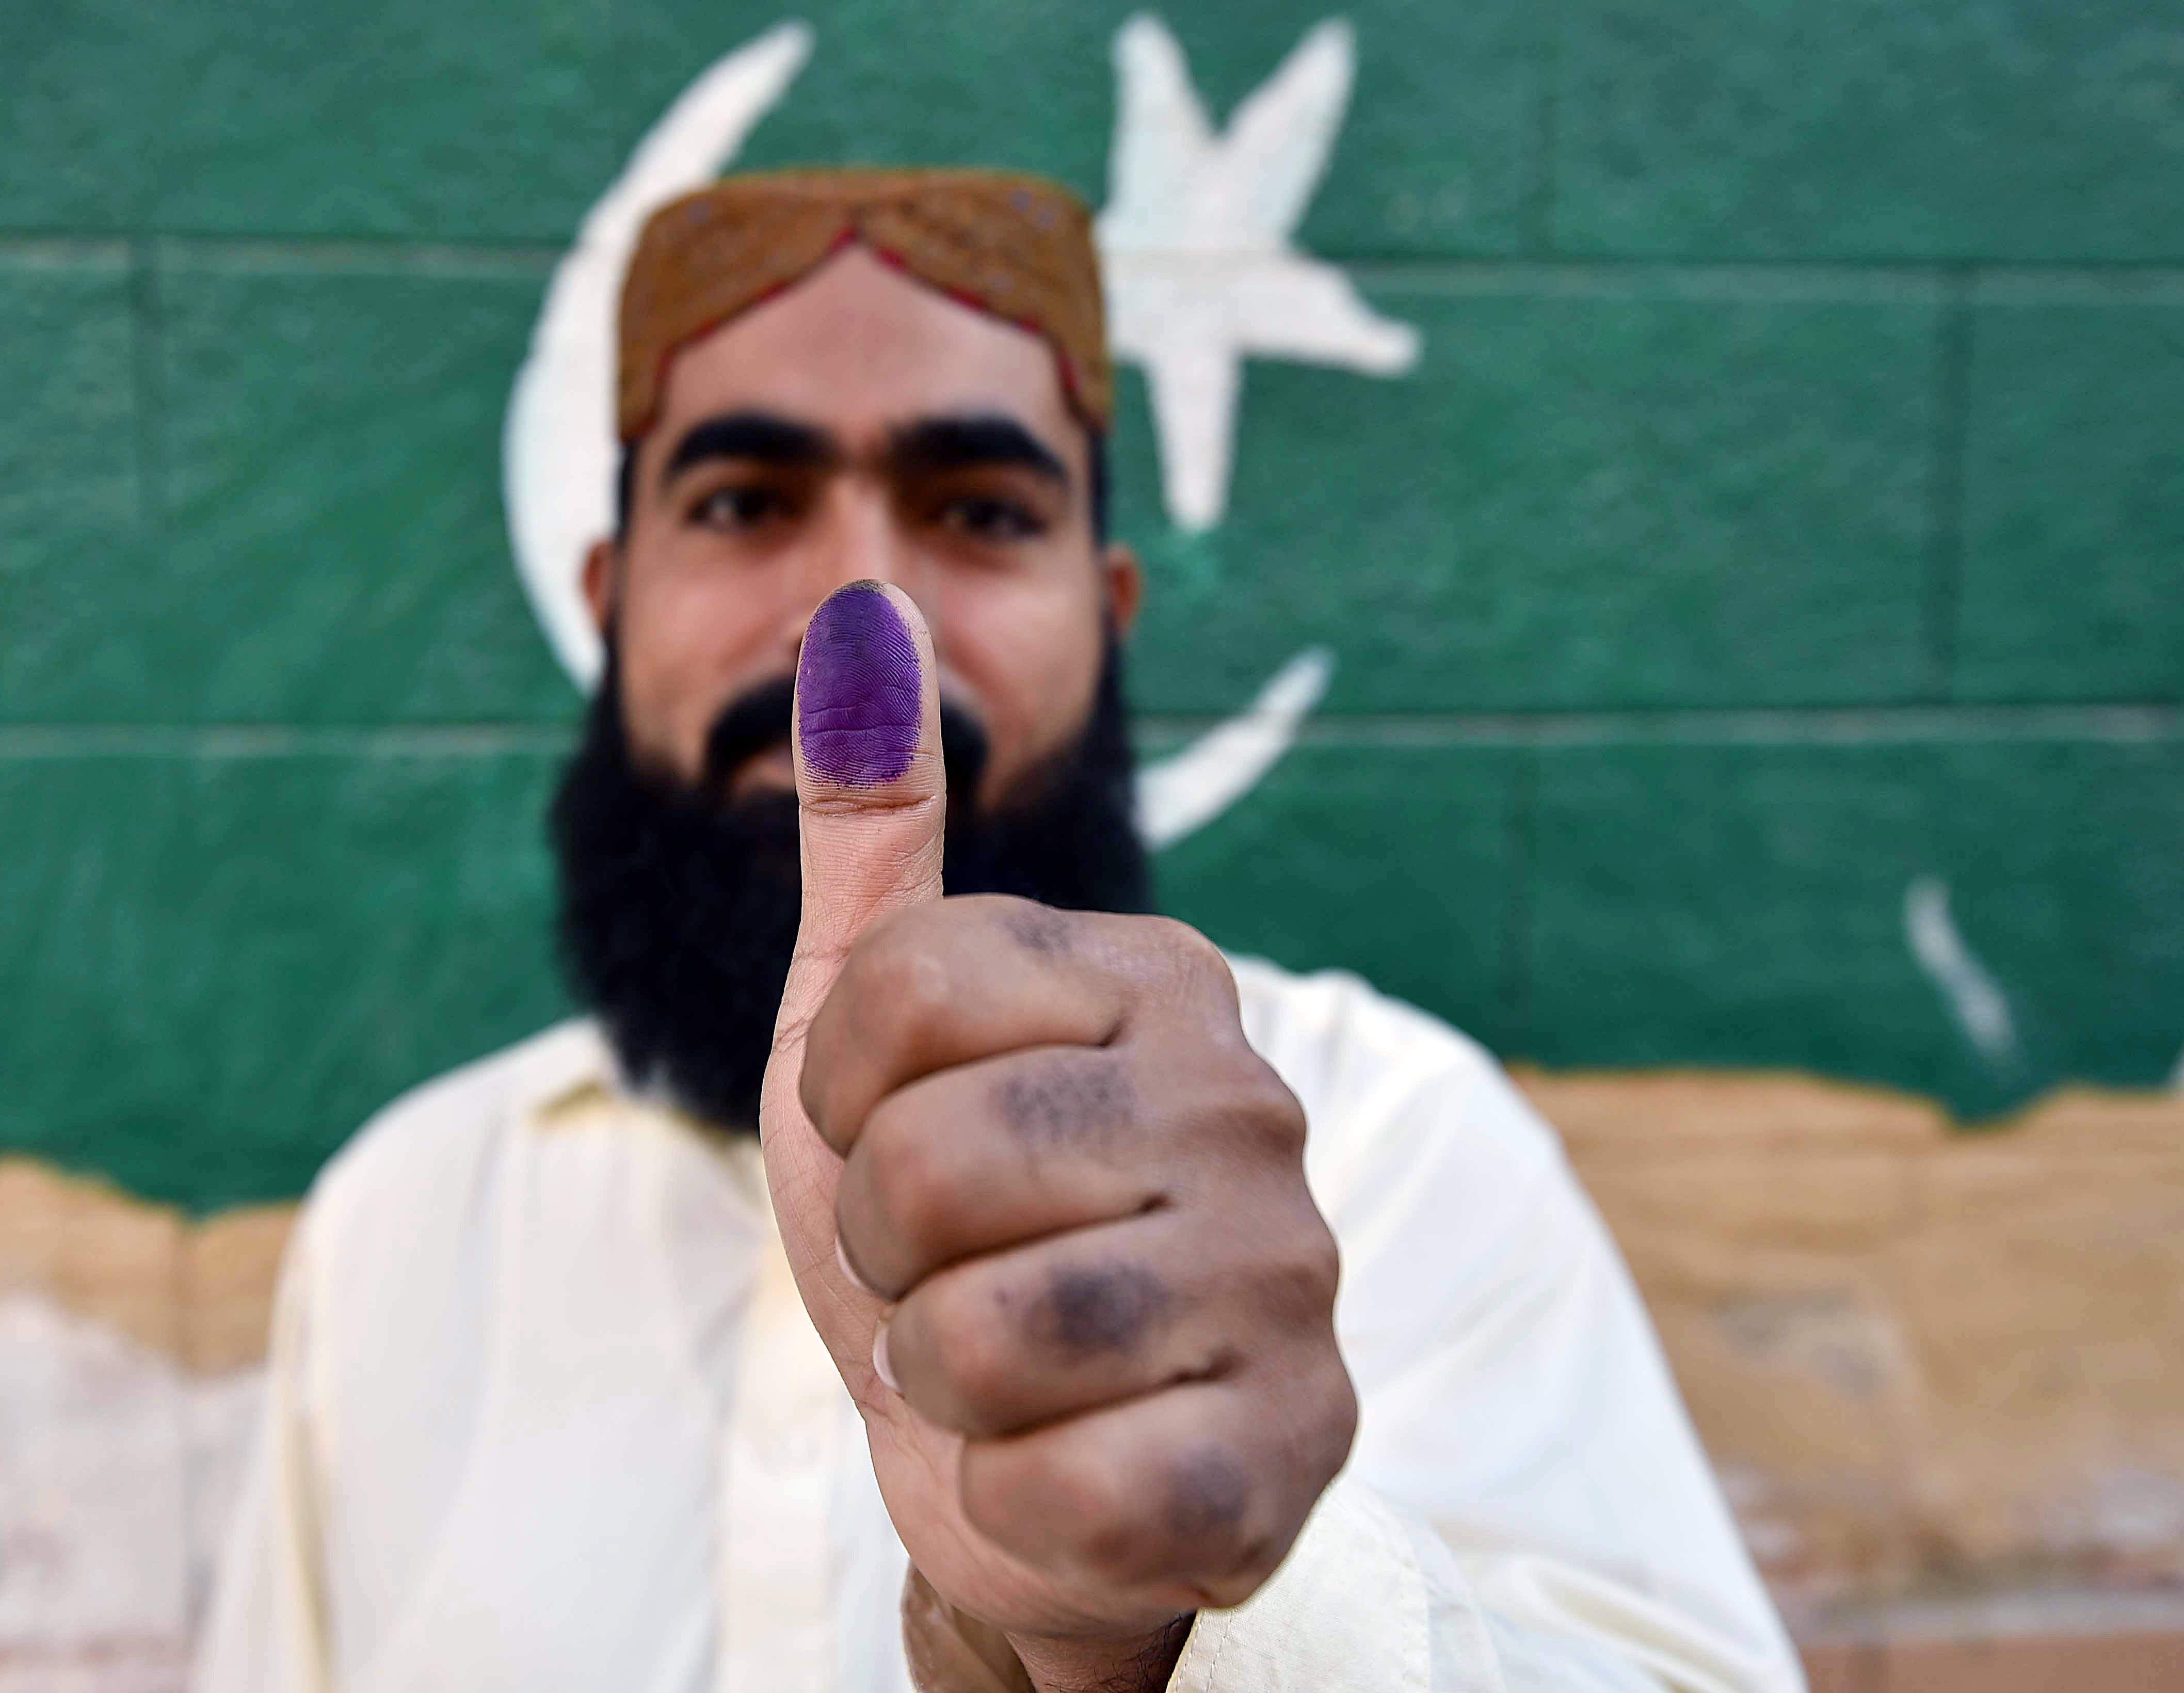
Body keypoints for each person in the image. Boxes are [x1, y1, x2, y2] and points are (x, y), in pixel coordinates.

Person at [197, 170, 1804, 1693]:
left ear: (1107, 618)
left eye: (976, 509)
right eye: (747, 501)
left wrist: (1162, 1633)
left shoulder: (1399, 1144)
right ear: (610, 601)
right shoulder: (405, 1222)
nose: (860, 608)